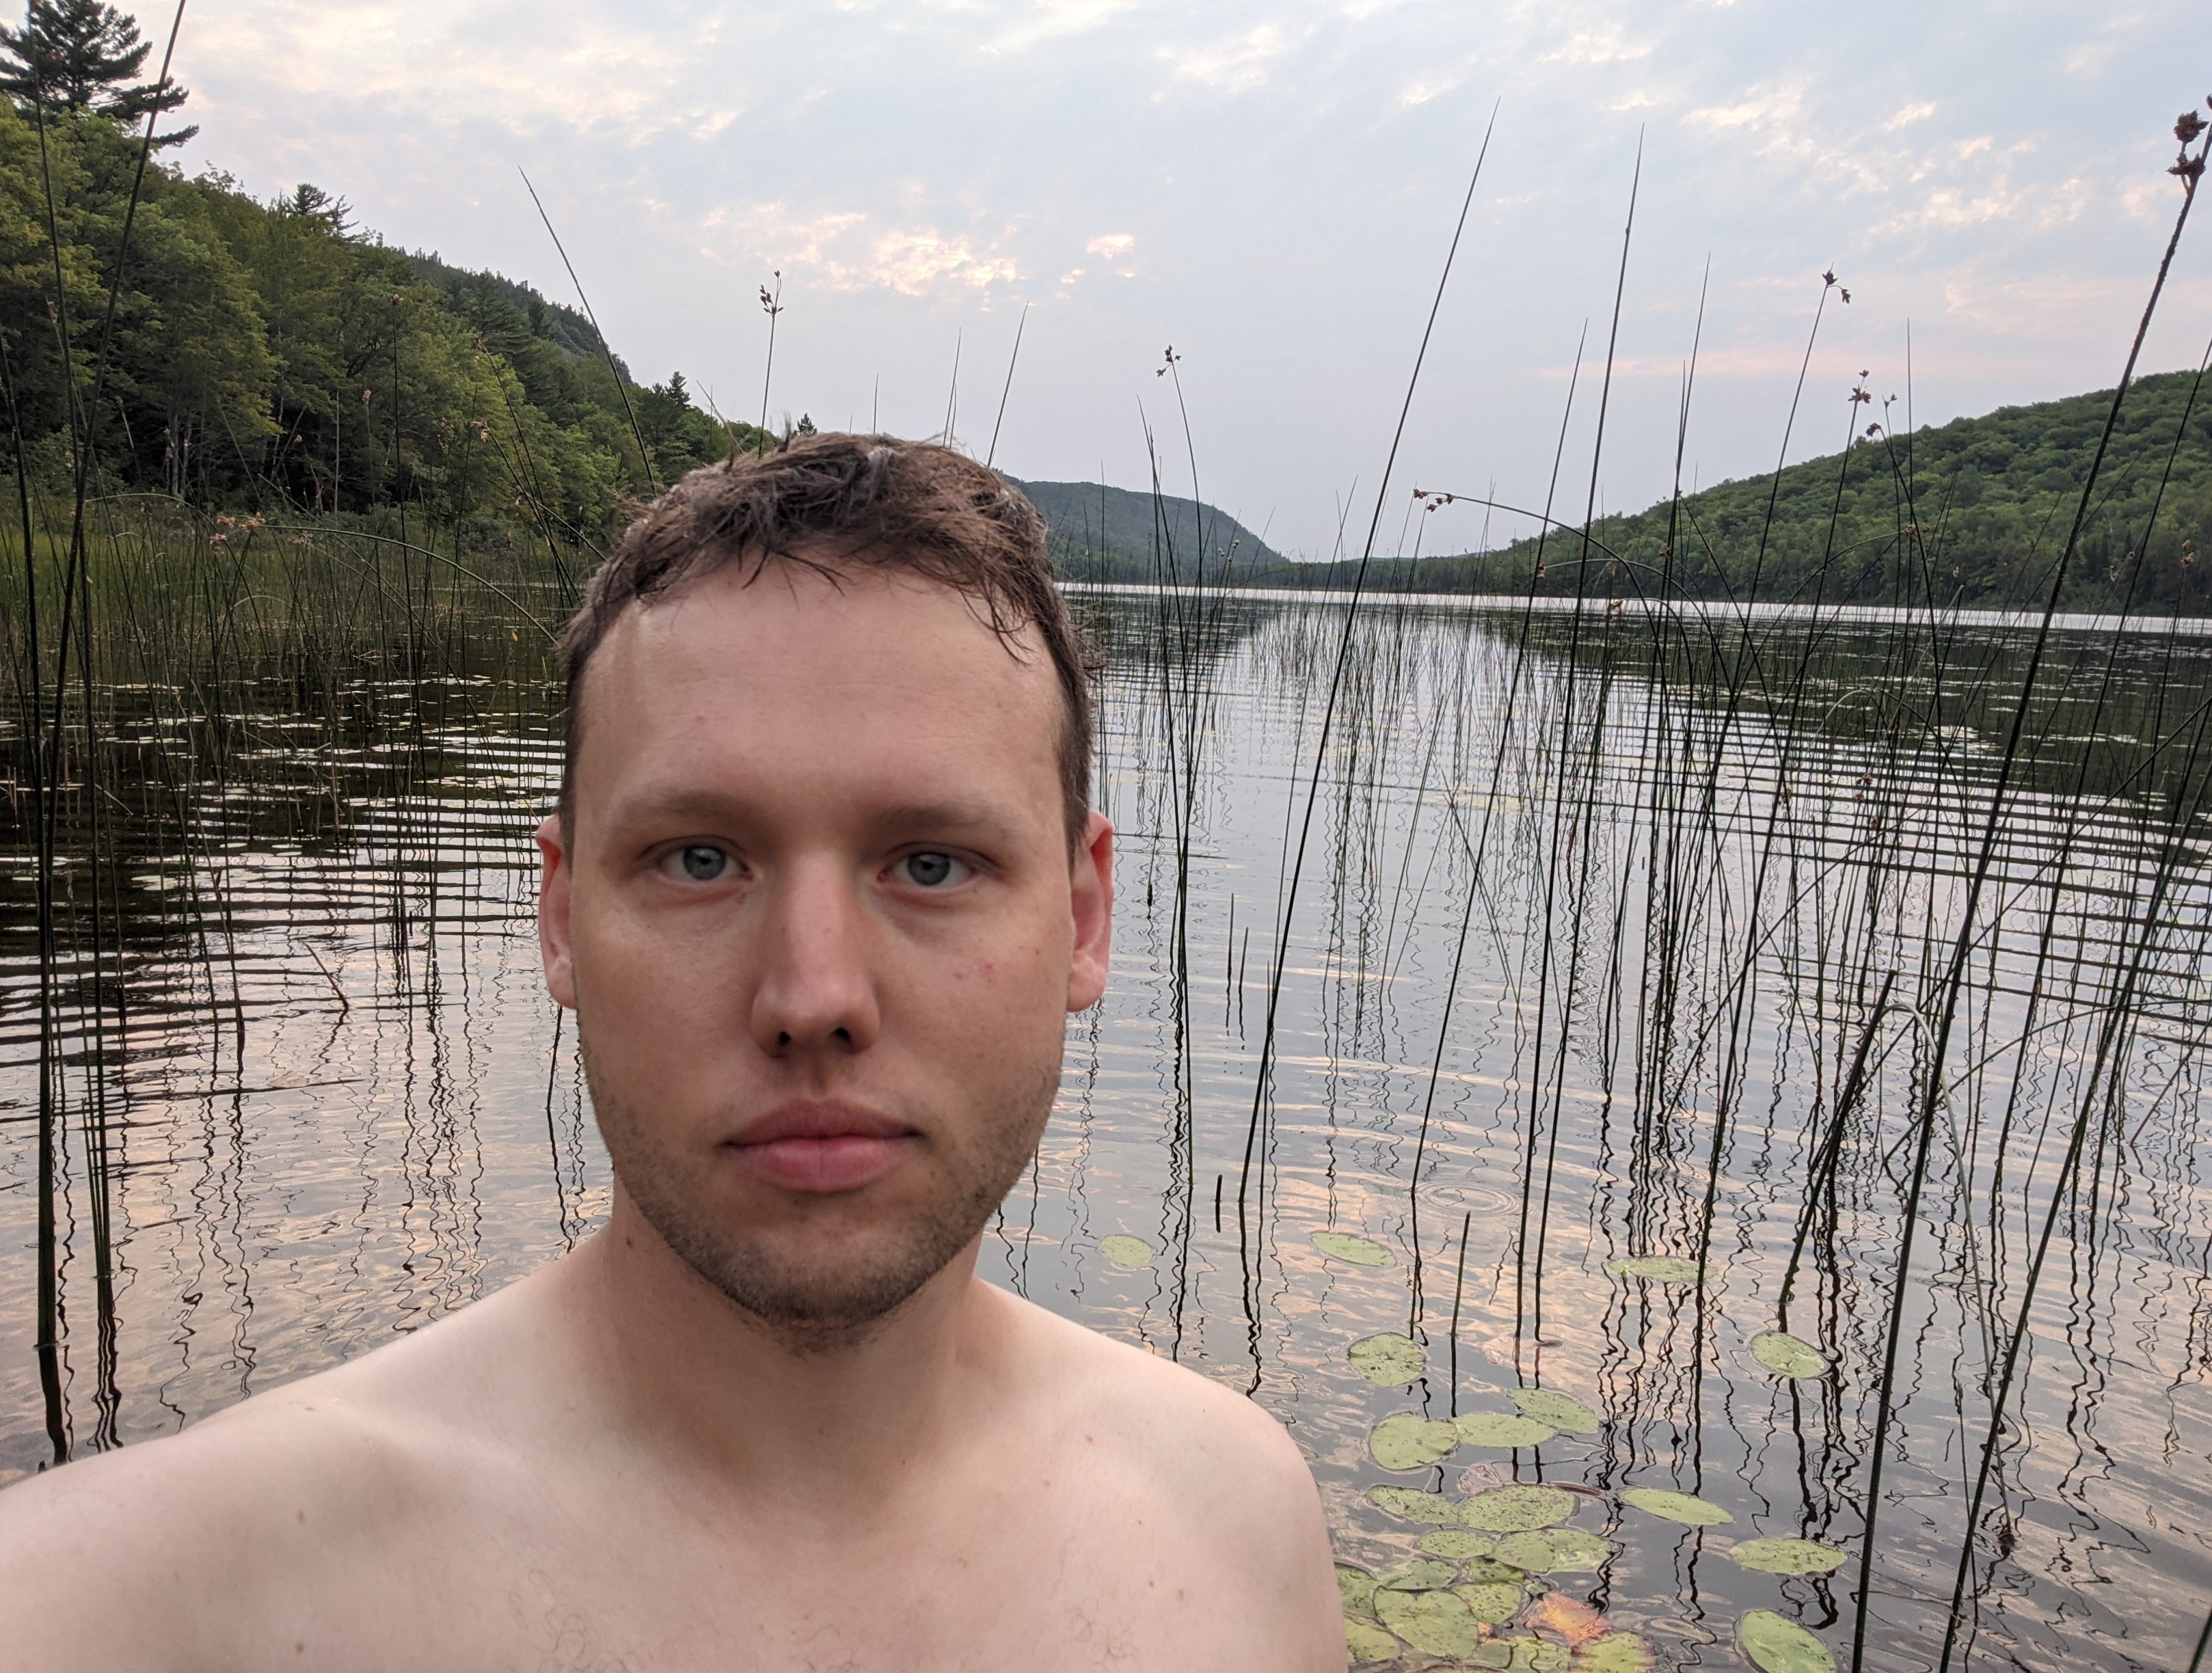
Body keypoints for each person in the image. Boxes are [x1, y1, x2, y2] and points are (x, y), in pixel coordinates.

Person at [0, 435, 1346, 1670]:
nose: (814, 998)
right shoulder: (152, 1601)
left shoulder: (1233, 1526)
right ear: (561, 918)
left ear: (1085, 919)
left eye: (932, 864)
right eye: (699, 860)